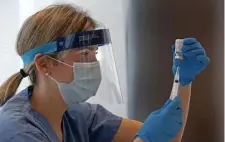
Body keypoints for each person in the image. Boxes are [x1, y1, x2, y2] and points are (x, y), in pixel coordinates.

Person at [0, 4, 209, 142]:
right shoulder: (16, 131)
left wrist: (182, 80)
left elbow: (165, 136)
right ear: (44, 64)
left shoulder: (79, 116)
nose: (93, 63)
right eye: (83, 53)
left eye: (95, 52)